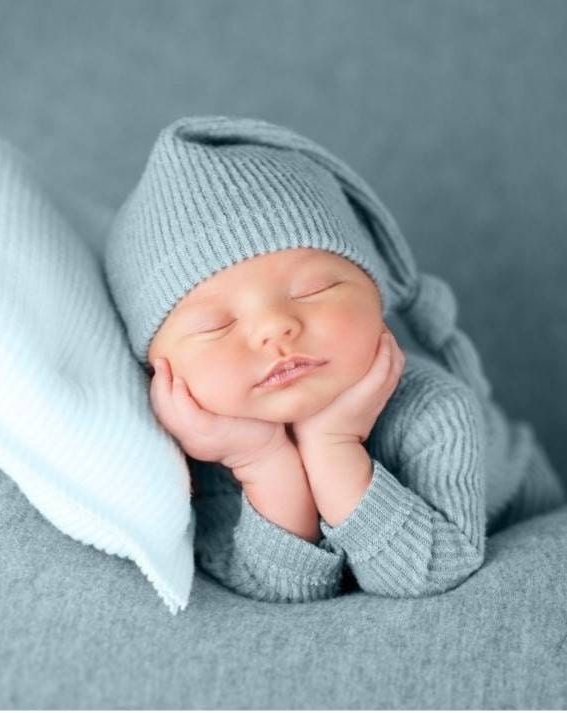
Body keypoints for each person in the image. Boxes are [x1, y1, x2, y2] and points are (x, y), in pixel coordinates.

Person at [103, 115, 567, 603]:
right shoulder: (205, 447)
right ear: (160, 371)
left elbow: (431, 571)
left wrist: (334, 444)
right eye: (214, 326)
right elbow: (285, 589)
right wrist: (262, 461)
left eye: (314, 289)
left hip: (522, 515)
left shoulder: (434, 410)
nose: (274, 328)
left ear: (378, 296)